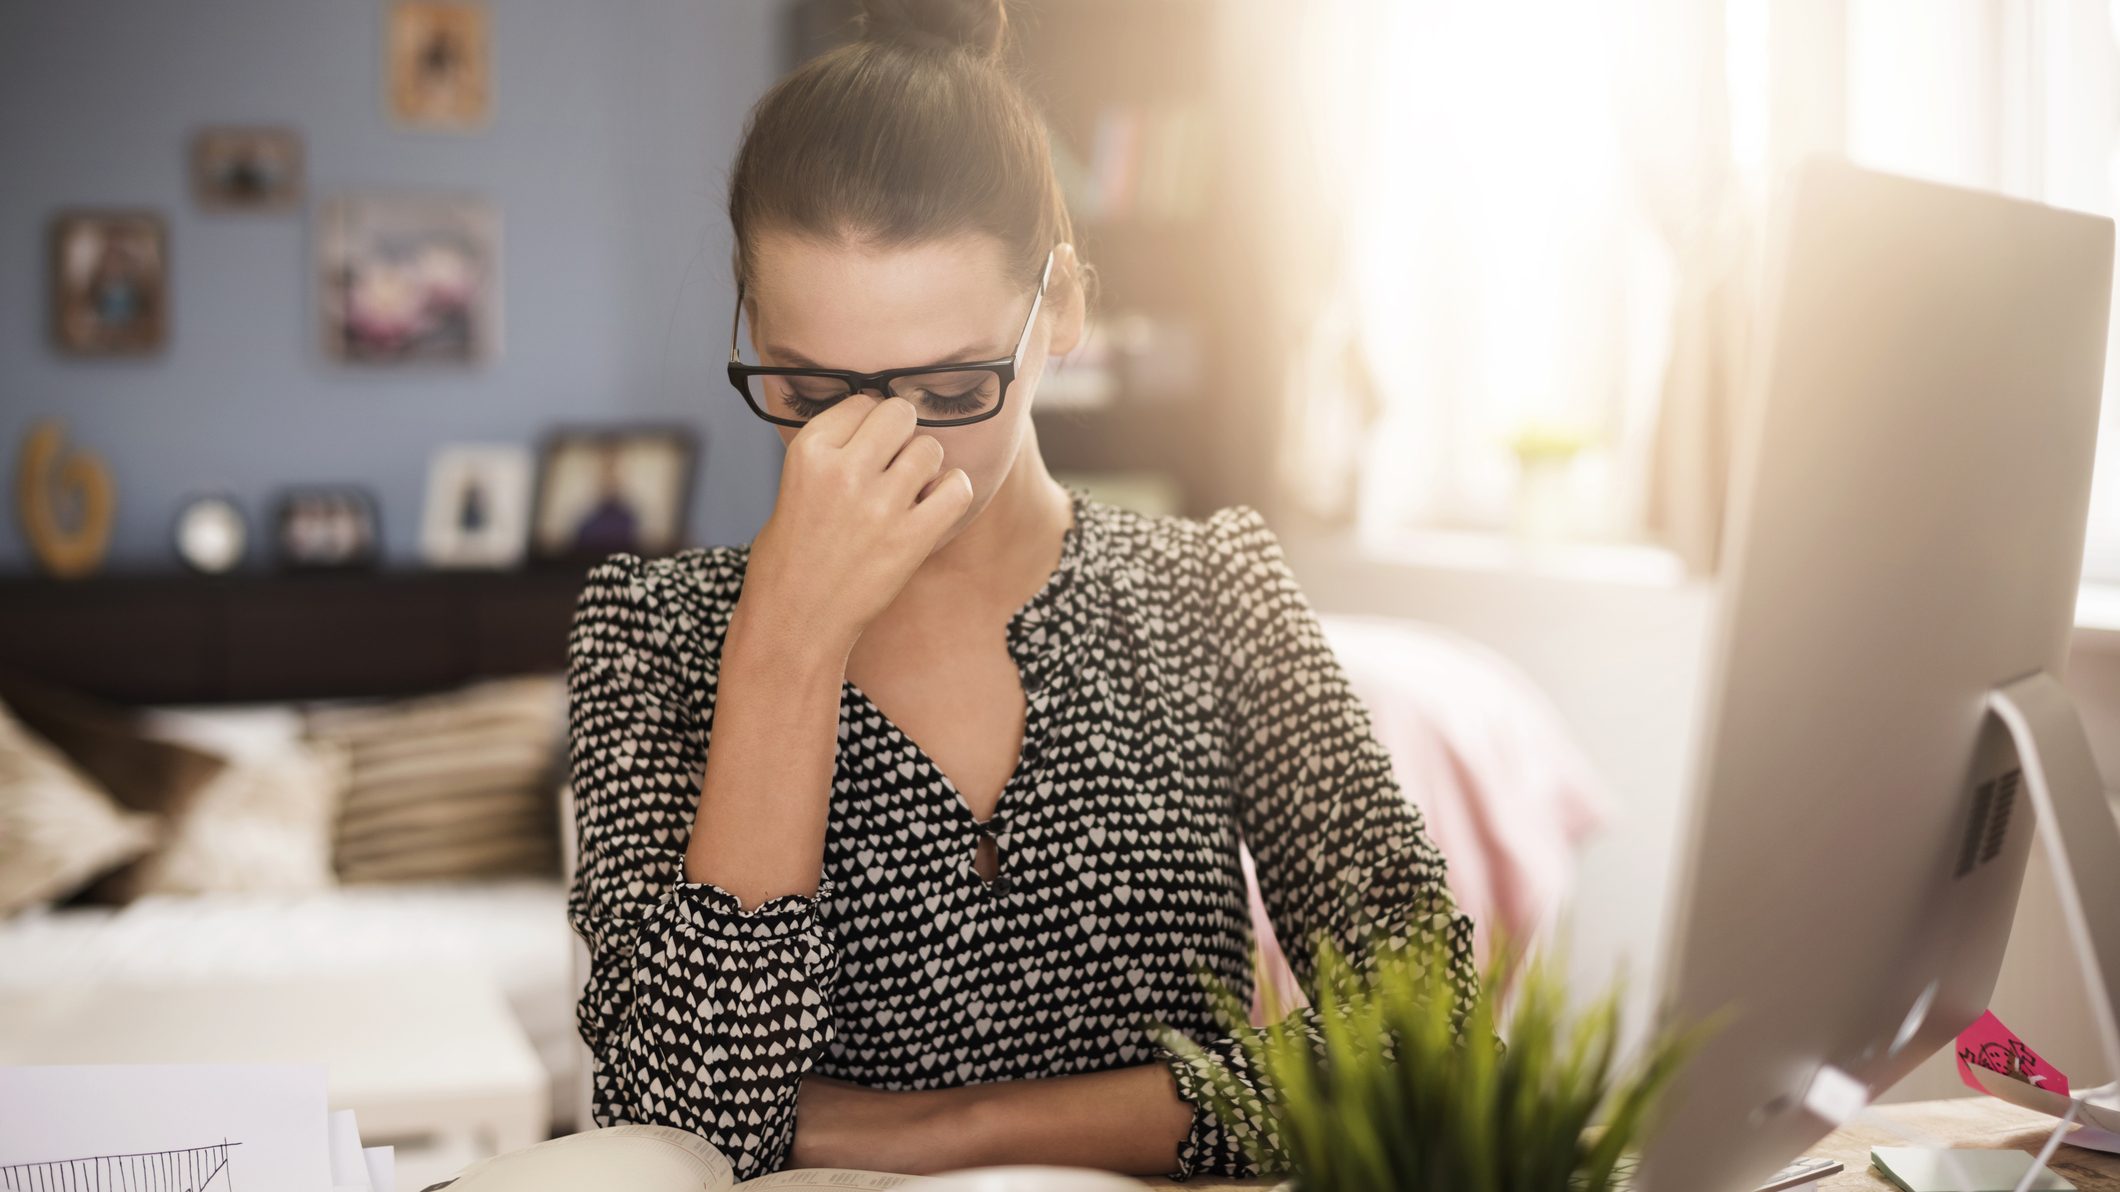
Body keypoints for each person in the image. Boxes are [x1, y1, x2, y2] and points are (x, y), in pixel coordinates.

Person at [562, 0, 1479, 1181]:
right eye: (808, 386)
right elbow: (680, 1129)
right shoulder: (654, 636)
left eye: (948, 387)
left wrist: (949, 1133)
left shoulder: (1214, 596)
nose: (883, 439)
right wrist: (784, 645)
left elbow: (1430, 1033)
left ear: (1061, 309)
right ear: (753, 330)